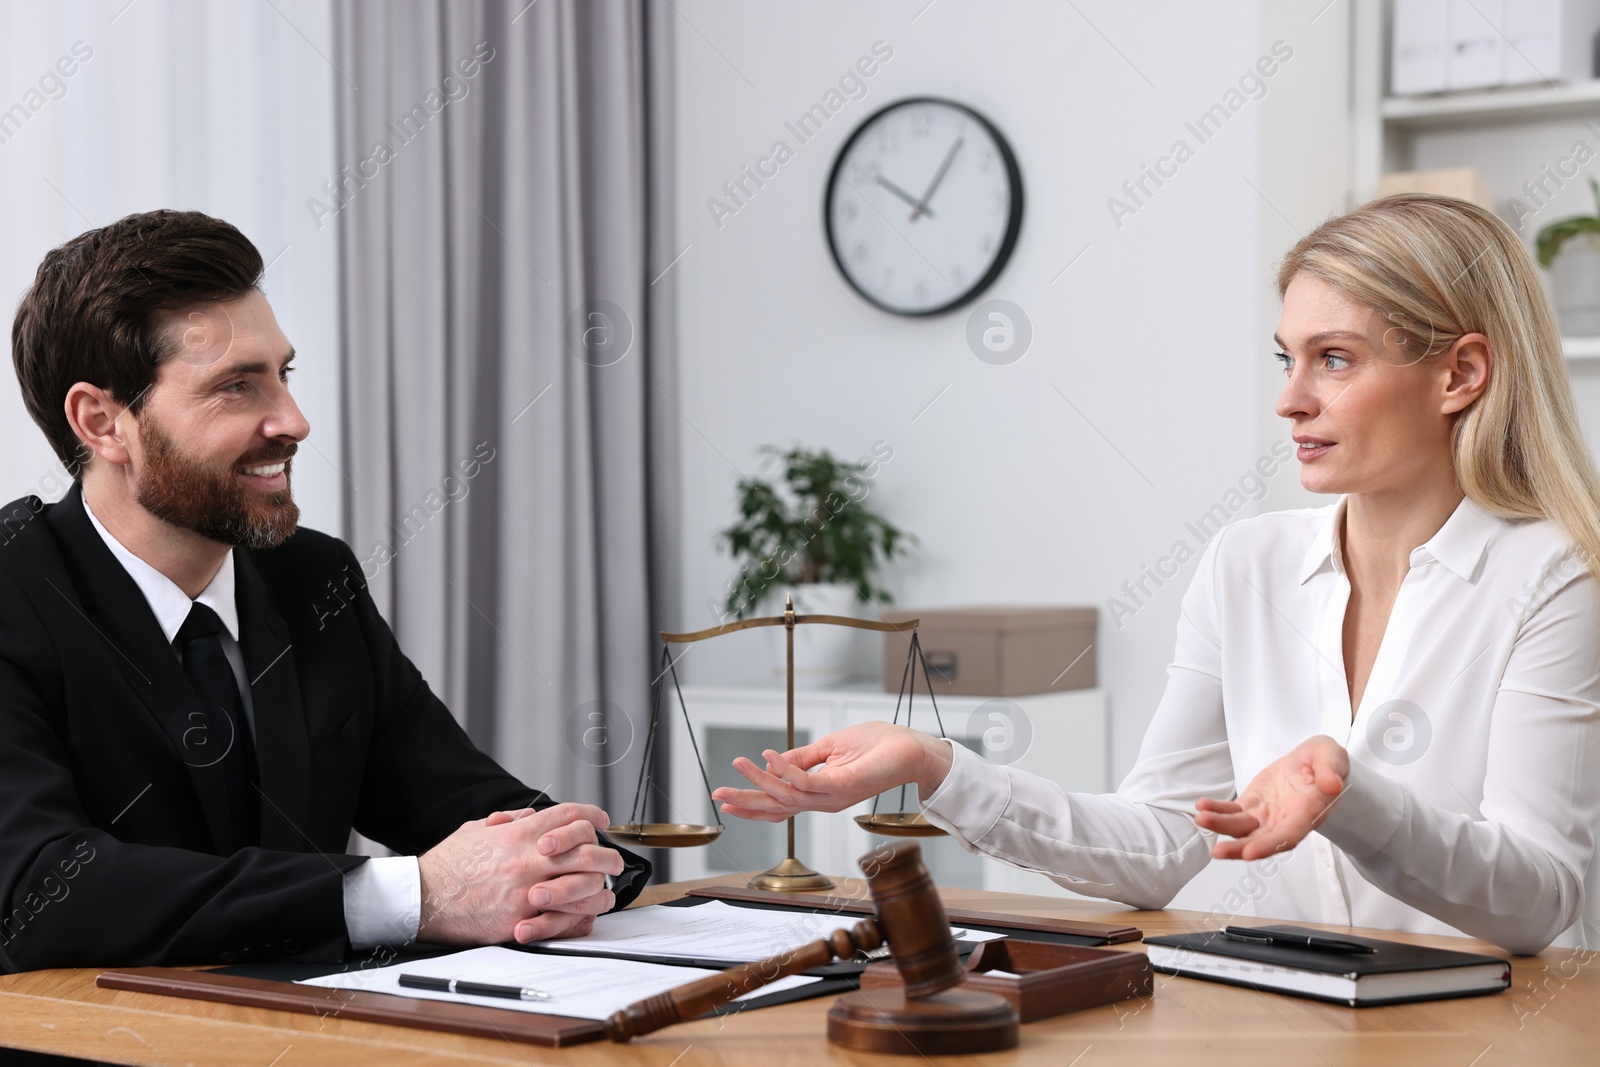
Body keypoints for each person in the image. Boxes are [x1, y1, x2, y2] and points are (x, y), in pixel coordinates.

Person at [714, 193, 1600, 956]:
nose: (1290, 398)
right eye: (1287, 357)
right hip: (1291, 1026)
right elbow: (1160, 844)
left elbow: (1541, 898)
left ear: (1462, 373)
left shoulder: (1554, 577)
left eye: (1335, 358)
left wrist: (1349, 798)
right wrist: (939, 765)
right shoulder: (1247, 563)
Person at [0, 209, 648, 974]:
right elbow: (38, 891)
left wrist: (569, 860)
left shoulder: (314, 578)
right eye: (236, 388)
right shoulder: (16, 594)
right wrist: (414, 894)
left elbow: (455, 795)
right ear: (102, 423)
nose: (294, 421)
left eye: (284, 374)